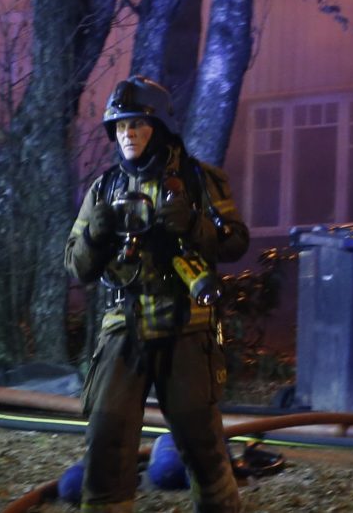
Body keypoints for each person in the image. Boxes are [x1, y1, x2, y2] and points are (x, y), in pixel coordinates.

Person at [67, 76, 250, 513]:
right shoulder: (104, 188)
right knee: (106, 436)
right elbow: (76, 266)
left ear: (161, 127)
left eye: (137, 124)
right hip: (124, 324)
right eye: (120, 126)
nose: (127, 134)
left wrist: (193, 225)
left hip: (186, 324)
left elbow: (236, 242)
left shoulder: (201, 181)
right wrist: (96, 233)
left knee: (201, 440)